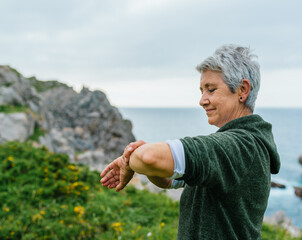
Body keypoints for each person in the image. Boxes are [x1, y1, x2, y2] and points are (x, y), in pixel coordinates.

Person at [100, 44, 281, 239]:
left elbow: (149, 157)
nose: (202, 100)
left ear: (242, 90)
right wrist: (144, 162)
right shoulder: (242, 145)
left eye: (211, 90)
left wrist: (130, 161)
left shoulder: (239, 146)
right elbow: (170, 180)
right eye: (202, 91)